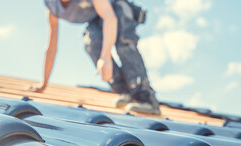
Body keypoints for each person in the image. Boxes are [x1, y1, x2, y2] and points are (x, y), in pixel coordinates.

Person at [28, 0, 160, 115]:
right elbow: (51, 48)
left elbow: (110, 17)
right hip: (96, 18)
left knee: (124, 43)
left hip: (116, 9)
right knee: (92, 42)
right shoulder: (53, 7)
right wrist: (44, 83)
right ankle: (125, 92)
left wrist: (106, 56)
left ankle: (146, 98)